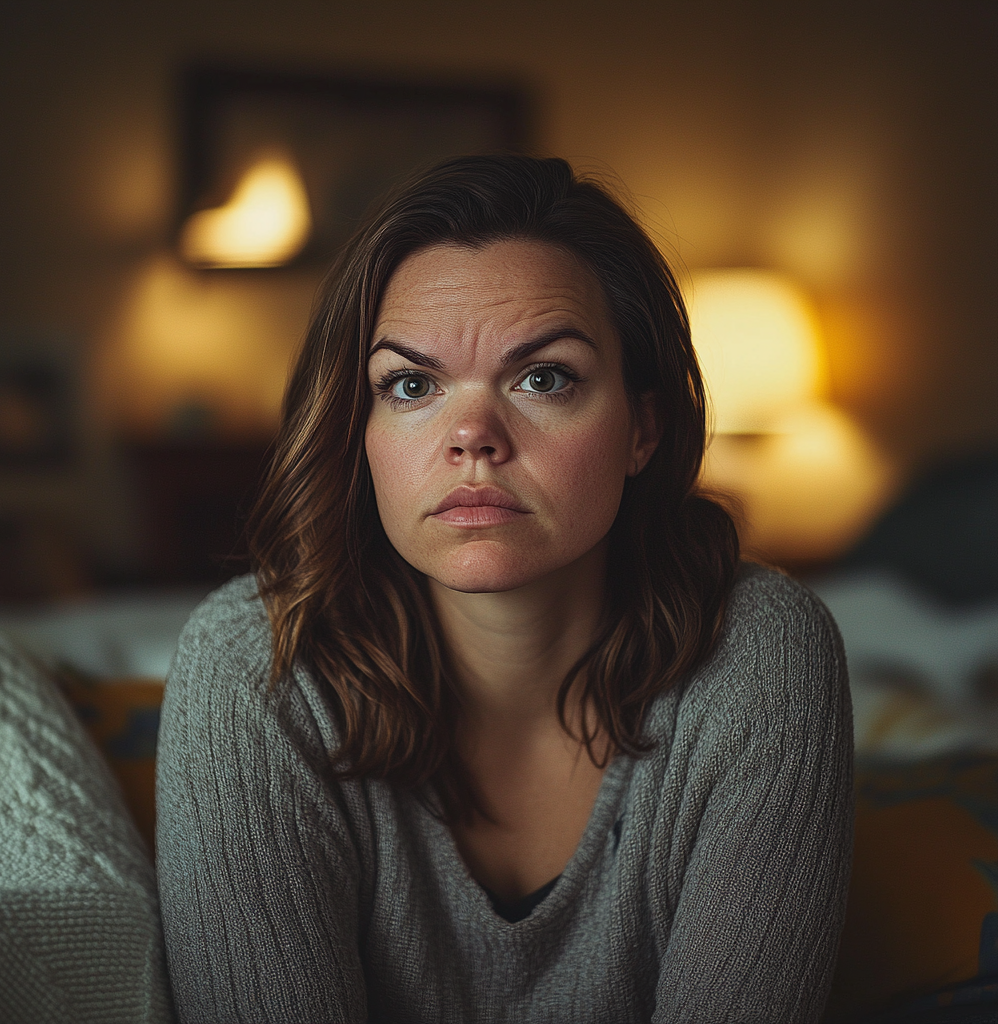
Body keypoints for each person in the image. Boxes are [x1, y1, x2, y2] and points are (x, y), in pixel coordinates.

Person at [156, 154, 853, 1024]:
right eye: (412, 385)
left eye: (543, 377)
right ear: (357, 427)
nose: (473, 436)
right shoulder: (257, 668)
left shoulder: (762, 657)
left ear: (643, 427)